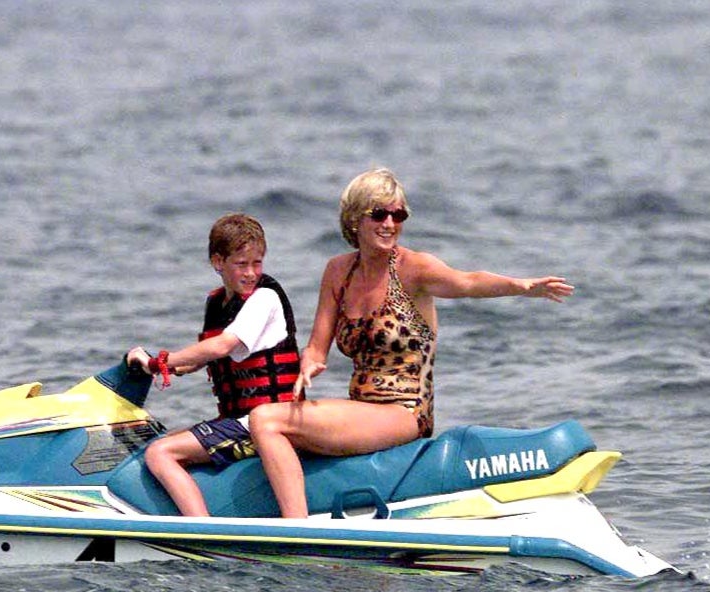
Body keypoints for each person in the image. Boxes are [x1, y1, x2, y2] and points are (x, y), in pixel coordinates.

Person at [248, 167, 575, 518]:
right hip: (361, 407)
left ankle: (298, 529)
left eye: (398, 214)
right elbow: (317, 344)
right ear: (355, 220)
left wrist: (521, 286)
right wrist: (310, 363)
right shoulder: (338, 272)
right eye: (379, 214)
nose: (390, 223)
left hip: (404, 412)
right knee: (269, 421)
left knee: (265, 419)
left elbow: (466, 282)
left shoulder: (412, 269)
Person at [126, 213, 300, 516]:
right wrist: (173, 367)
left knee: (160, 453)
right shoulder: (218, 303)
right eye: (241, 264)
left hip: (265, 424)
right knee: (155, 439)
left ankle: (200, 530)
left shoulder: (265, 299)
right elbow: (209, 357)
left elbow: (223, 345)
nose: (250, 273)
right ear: (217, 261)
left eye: (256, 263)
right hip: (239, 420)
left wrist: (158, 364)